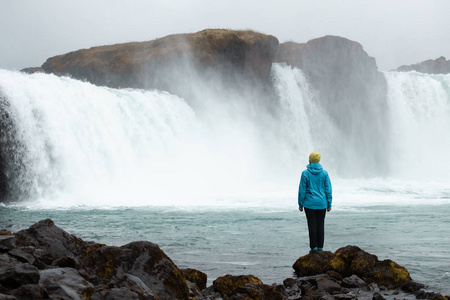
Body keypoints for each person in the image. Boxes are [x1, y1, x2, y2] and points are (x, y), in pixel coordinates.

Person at [298, 152, 332, 253]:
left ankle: (314, 247)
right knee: (320, 225)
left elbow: (302, 190)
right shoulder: (325, 173)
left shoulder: (305, 173)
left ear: (310, 160)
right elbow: (328, 189)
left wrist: (300, 204)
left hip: (309, 204)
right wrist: (329, 204)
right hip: (322, 203)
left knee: (312, 225)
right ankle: (321, 247)